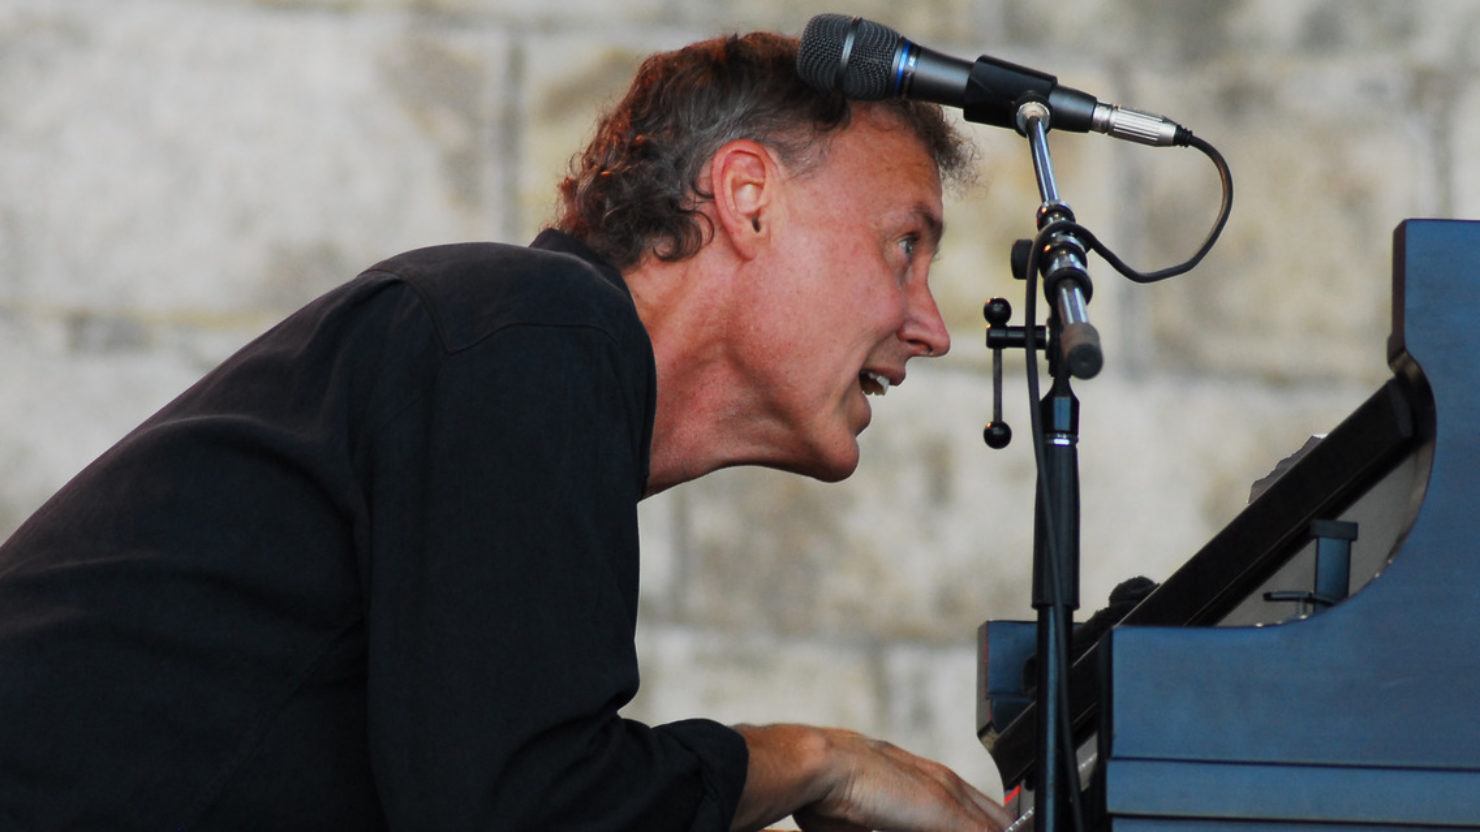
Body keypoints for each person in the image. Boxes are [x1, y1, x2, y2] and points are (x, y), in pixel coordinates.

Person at [0, 31, 1011, 832]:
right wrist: (819, 761)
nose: (931, 327)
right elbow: (526, 805)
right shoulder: (535, 330)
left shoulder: (524, 348)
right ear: (748, 200)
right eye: (904, 245)